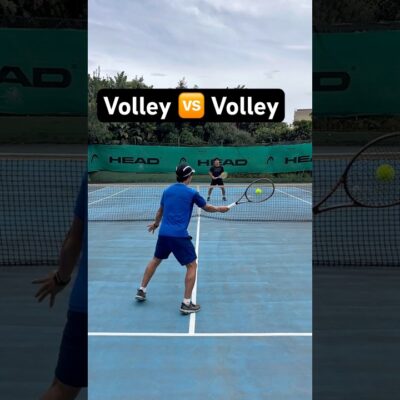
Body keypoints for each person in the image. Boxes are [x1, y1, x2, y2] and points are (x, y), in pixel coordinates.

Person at [135, 164, 229, 314]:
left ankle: (141, 289)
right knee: (192, 266)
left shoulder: (167, 190)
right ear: (189, 176)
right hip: (179, 235)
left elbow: (160, 211)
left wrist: (156, 224)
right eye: (191, 174)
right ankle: (186, 303)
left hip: (164, 234)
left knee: (155, 260)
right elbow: (206, 207)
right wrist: (220, 209)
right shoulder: (192, 193)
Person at [33, 175, 87, 400]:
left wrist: (60, 279)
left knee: (62, 387)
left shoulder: (87, 177)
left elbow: (73, 240)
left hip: (84, 306)